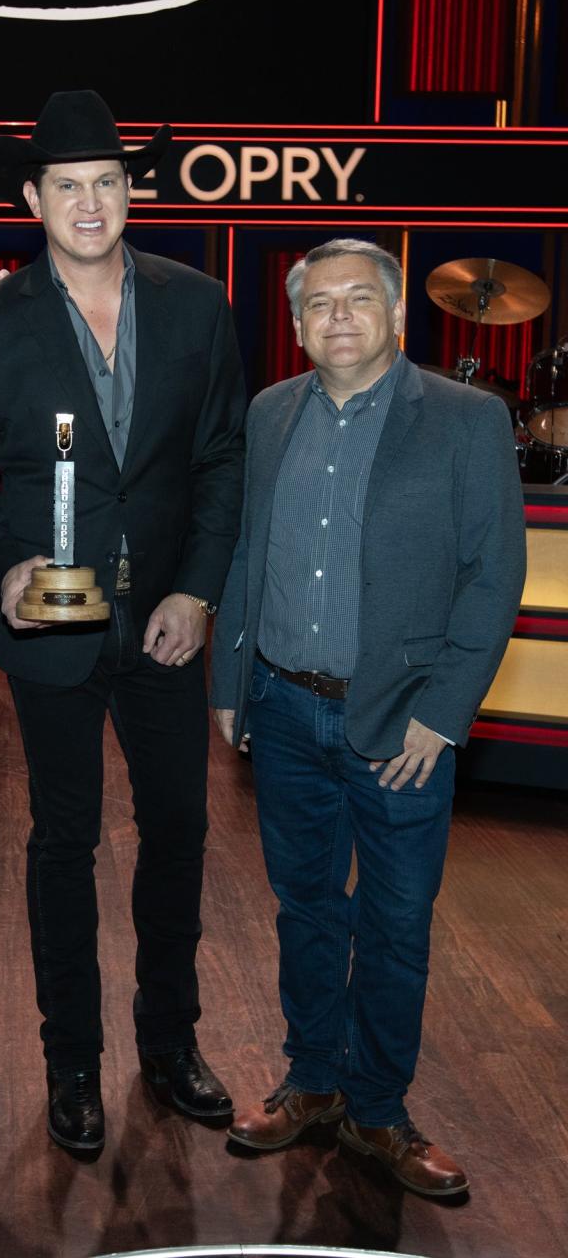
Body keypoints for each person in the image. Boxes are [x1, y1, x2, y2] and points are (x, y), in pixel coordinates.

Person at [0, 90, 246, 1152]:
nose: (89, 200)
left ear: (131, 190)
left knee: (179, 837)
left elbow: (219, 463)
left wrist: (196, 590)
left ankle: (171, 1045)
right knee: (61, 844)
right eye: (67, 184)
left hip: (164, 631)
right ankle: (71, 1061)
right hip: (51, 638)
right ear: (32, 196)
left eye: (107, 181)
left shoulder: (199, 305)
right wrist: (2, 563)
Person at [211, 237, 526, 1198]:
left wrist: (445, 711)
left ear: (396, 315)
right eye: (318, 304)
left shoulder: (468, 418)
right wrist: (229, 683)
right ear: (299, 323)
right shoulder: (270, 414)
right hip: (284, 706)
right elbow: (246, 549)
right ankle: (312, 1082)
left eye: (358, 299)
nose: (337, 315)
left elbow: (494, 575)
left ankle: (380, 1109)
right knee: (305, 907)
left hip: (402, 731)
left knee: (393, 923)